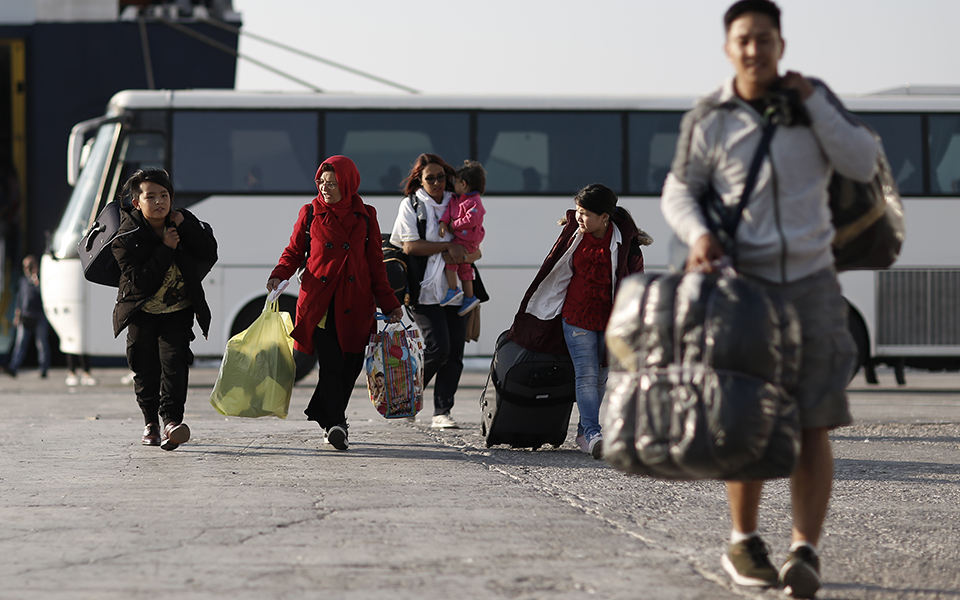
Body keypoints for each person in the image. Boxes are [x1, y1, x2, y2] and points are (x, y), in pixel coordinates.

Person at [660, 1, 879, 597]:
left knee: (815, 422)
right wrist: (699, 234)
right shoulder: (711, 117)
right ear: (729, 48)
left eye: (764, 38)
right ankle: (744, 541)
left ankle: (804, 549)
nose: (754, 49)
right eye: (743, 40)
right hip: (742, 288)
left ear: (781, 43)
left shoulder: (815, 102)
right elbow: (679, 191)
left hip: (812, 284)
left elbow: (862, 160)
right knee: (745, 422)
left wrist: (812, 103)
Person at [267, 156, 402, 451]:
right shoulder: (311, 212)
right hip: (320, 303)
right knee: (330, 363)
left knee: (349, 367)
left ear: (347, 183)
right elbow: (293, 250)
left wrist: (390, 303)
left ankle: (325, 414)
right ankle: (337, 424)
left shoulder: (366, 216)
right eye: (321, 182)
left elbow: (376, 265)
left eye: (332, 183)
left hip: (356, 303)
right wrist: (280, 274)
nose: (324, 188)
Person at [510, 184, 649, 458]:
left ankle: (583, 432)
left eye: (584, 213)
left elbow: (637, 281)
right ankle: (595, 432)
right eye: (577, 211)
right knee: (586, 374)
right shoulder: (572, 235)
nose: (578, 218)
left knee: (601, 378)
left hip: (610, 321)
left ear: (605, 217)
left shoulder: (625, 242)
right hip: (576, 317)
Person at [112, 168, 218, 450]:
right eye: (151, 196)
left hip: (178, 310)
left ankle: (172, 422)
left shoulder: (182, 220)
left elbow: (209, 252)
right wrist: (166, 248)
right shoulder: (125, 236)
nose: (159, 202)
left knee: (175, 365)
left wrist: (185, 227)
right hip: (141, 313)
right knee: (146, 370)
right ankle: (151, 424)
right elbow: (140, 281)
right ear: (137, 202)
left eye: (164, 195)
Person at [390, 153, 481, 429]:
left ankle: (442, 411)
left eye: (442, 177)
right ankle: (407, 398)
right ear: (420, 179)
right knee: (438, 348)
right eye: (431, 178)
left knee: (455, 352)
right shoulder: (412, 205)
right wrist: (447, 247)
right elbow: (409, 246)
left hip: (456, 288)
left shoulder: (459, 202)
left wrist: (467, 254)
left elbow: (475, 244)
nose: (438, 182)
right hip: (424, 290)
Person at [438, 160, 486, 317]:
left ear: (464, 184)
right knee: (465, 268)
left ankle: (453, 290)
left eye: (456, 182)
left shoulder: (474, 201)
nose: (454, 185)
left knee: (451, 262)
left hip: (467, 240)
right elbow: (448, 213)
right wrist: (443, 223)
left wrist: (454, 225)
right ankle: (469, 297)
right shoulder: (456, 199)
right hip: (463, 240)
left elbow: (470, 220)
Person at [2, 255, 50, 378]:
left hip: (39, 315)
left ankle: (43, 369)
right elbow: (20, 298)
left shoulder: (42, 280)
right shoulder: (23, 281)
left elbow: (45, 295)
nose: (27, 269)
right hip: (25, 316)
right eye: (25, 266)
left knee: (42, 344)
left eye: (29, 266)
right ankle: (14, 367)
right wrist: (17, 315)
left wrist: (36, 279)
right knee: (20, 344)